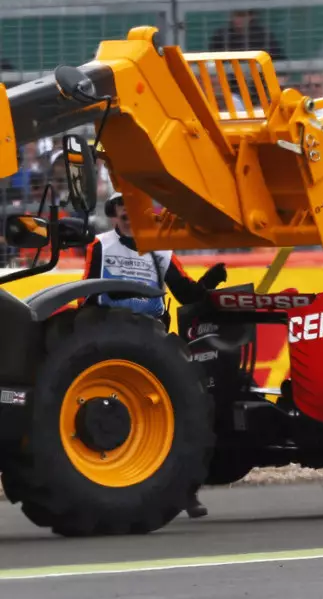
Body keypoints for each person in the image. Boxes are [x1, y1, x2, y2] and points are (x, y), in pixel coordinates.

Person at [83, 192, 228, 519]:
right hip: (109, 335)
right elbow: (87, 295)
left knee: (185, 411)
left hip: (154, 339)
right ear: (114, 214)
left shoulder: (162, 249)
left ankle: (185, 491)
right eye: (123, 210)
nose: (129, 216)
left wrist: (208, 283)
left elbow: (186, 293)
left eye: (135, 210)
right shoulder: (101, 245)